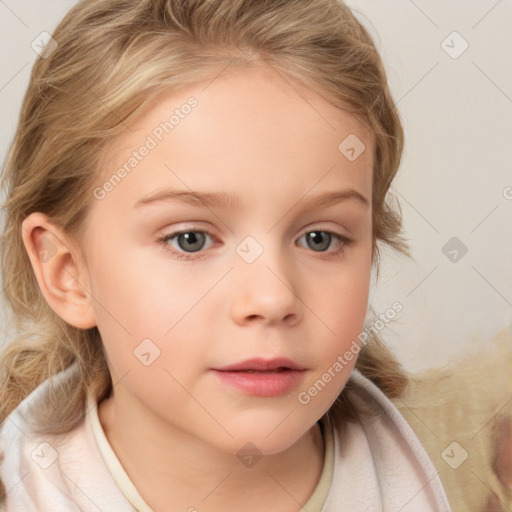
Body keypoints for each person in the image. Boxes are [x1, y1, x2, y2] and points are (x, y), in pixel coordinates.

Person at [0, 0, 452, 510]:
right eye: (190, 239)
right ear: (68, 273)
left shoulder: (467, 470)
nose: (272, 297)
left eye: (320, 238)